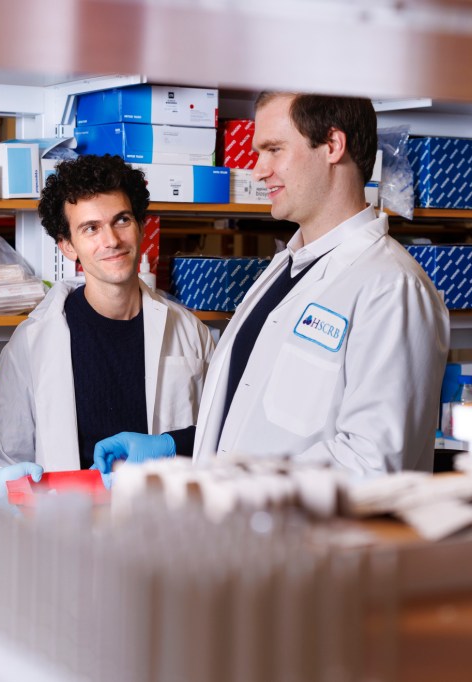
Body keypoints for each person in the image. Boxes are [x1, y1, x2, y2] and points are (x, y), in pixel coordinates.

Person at [94, 92, 449, 475]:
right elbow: (255, 424)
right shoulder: (285, 268)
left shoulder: (391, 287)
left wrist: (241, 487)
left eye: (274, 149)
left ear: (332, 145)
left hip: (301, 532)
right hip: (241, 525)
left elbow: (372, 463)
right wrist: (177, 447)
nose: (258, 170)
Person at [0, 154, 215, 508]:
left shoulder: (189, 332)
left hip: (167, 531)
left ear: (141, 226)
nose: (111, 240)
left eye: (121, 220)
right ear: (67, 246)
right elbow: (7, 462)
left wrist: (172, 445)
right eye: (90, 228)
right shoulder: (31, 343)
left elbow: (224, 439)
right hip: (69, 538)